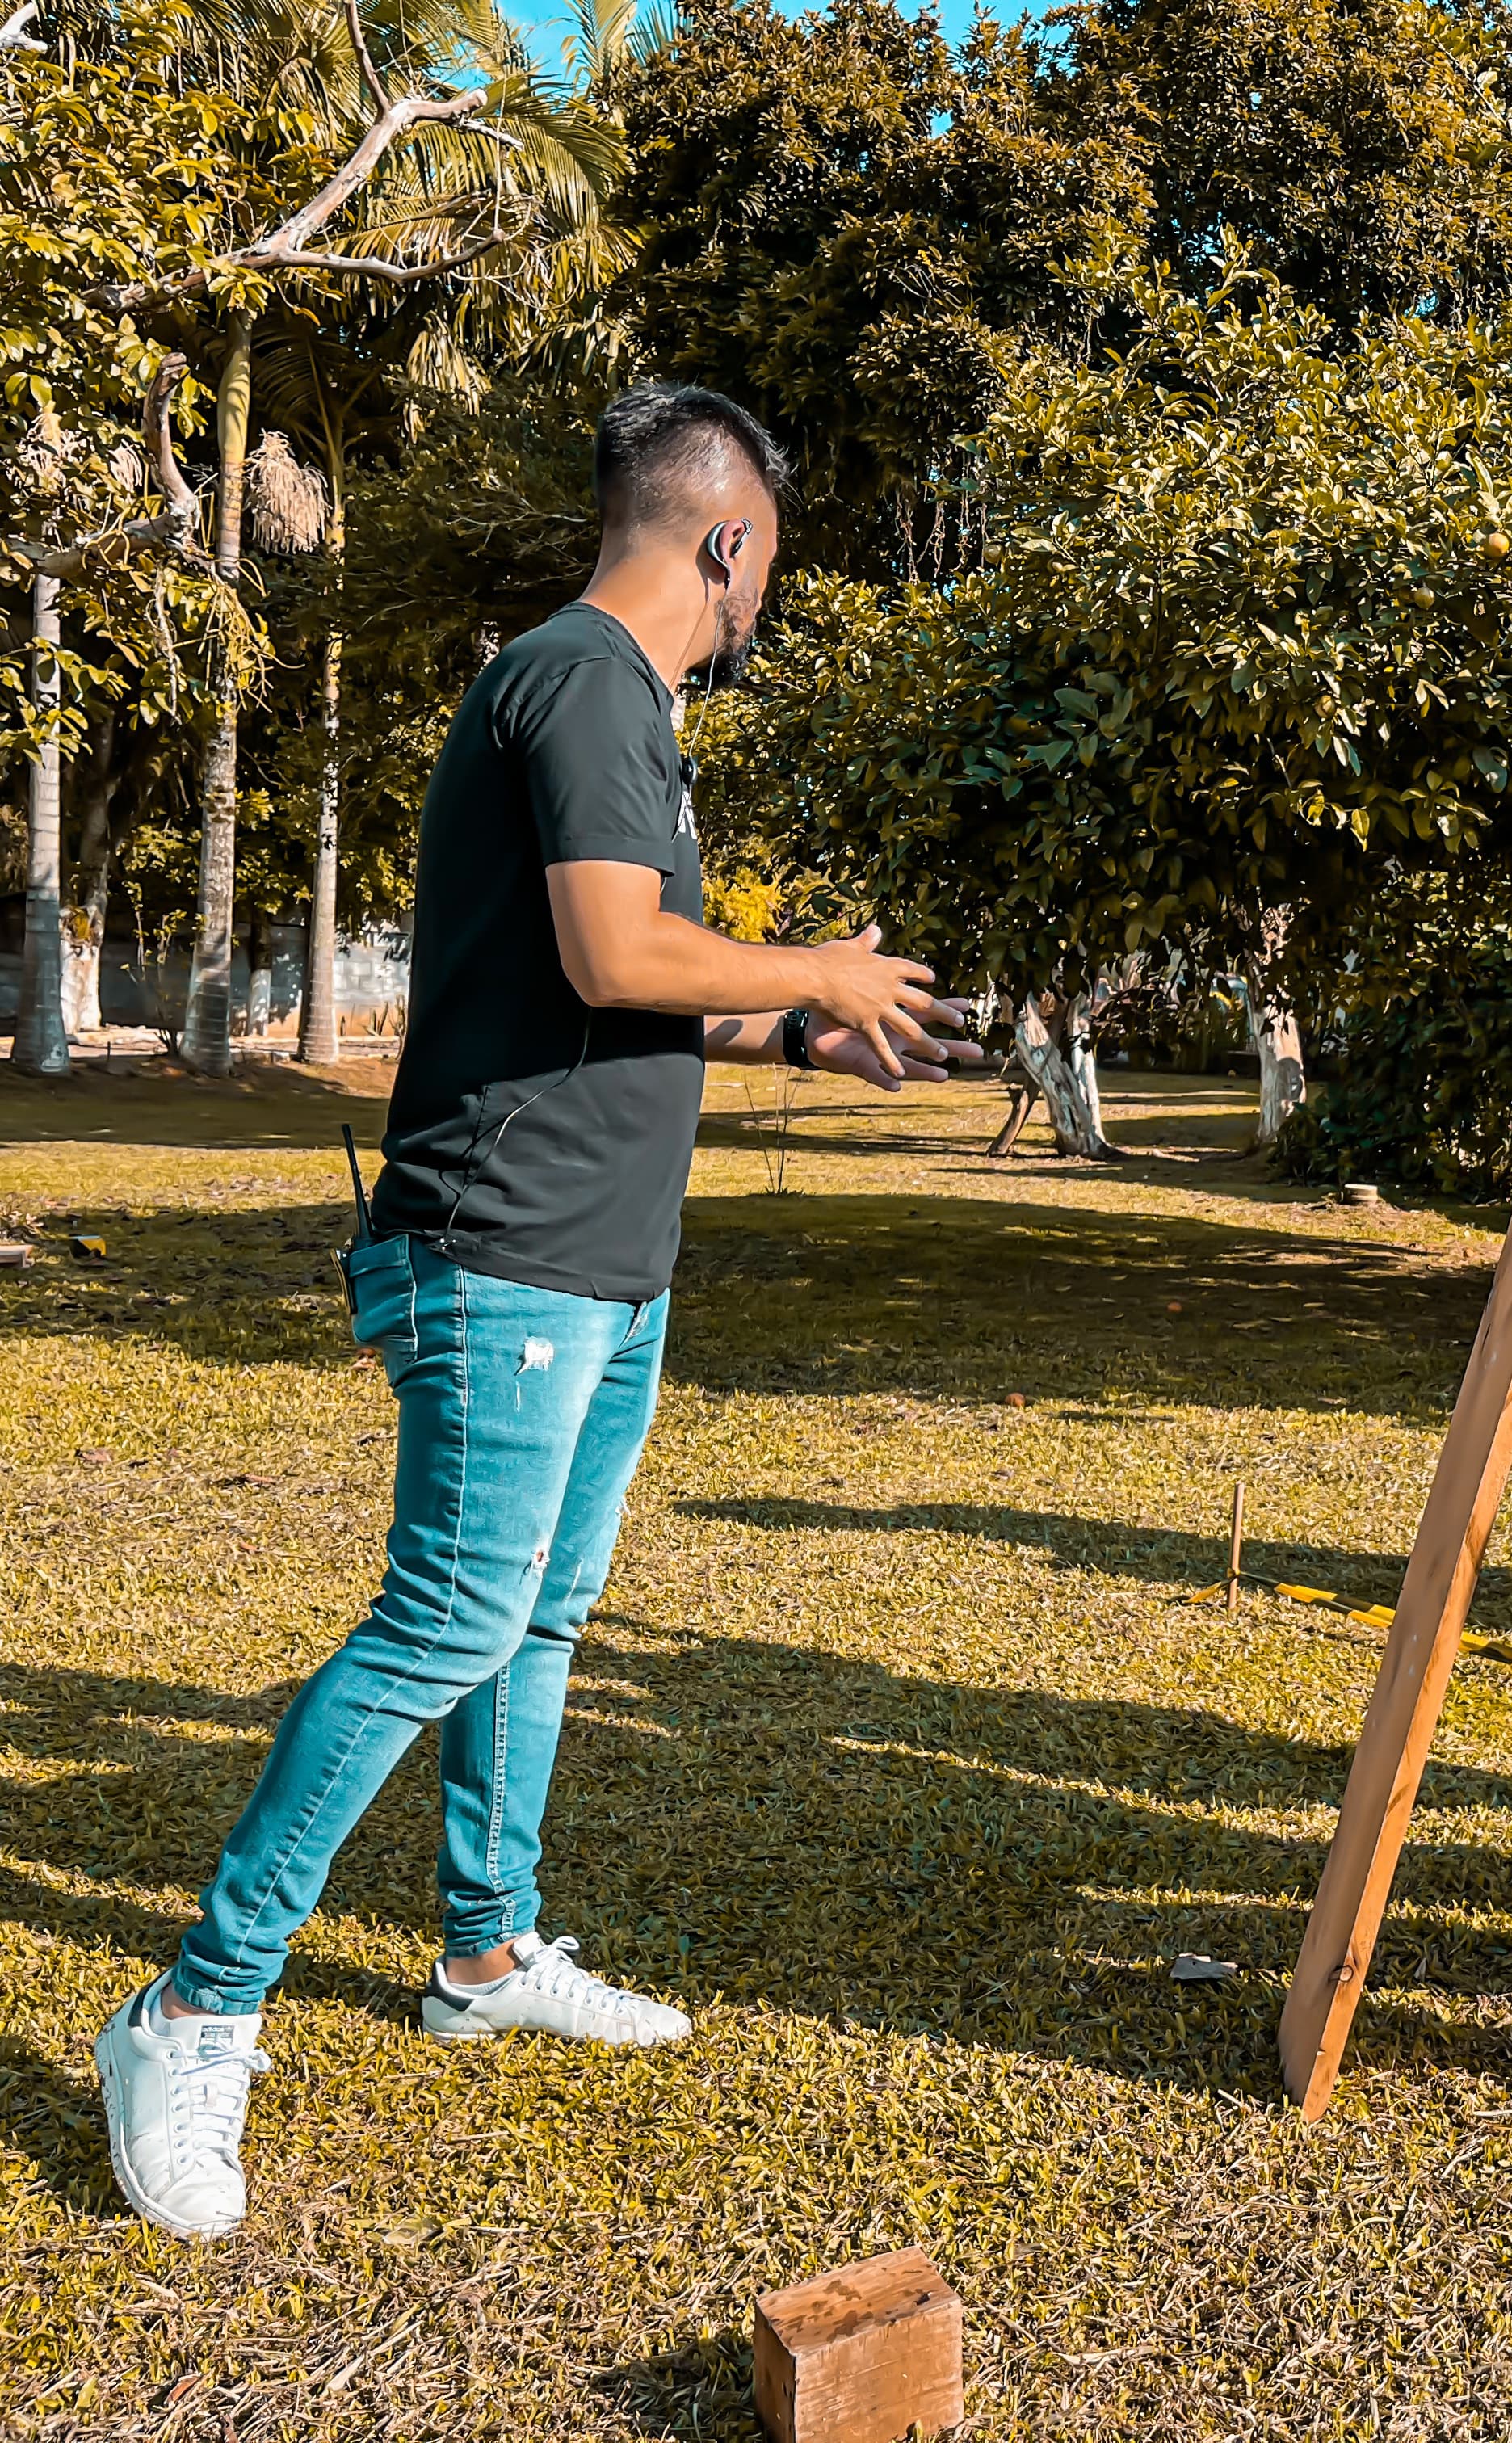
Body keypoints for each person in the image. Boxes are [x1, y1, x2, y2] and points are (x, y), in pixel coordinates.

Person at [95, 385, 981, 2242]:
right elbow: (612, 950)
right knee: (447, 1616)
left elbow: (643, 985)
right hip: (498, 1245)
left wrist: (809, 1019)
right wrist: (811, 953)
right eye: (771, 572)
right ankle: (191, 2009)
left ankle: (482, 1958)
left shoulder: (608, 714)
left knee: (538, 1616)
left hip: (593, 1256)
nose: (762, 607)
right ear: (728, 542)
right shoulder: (581, 681)